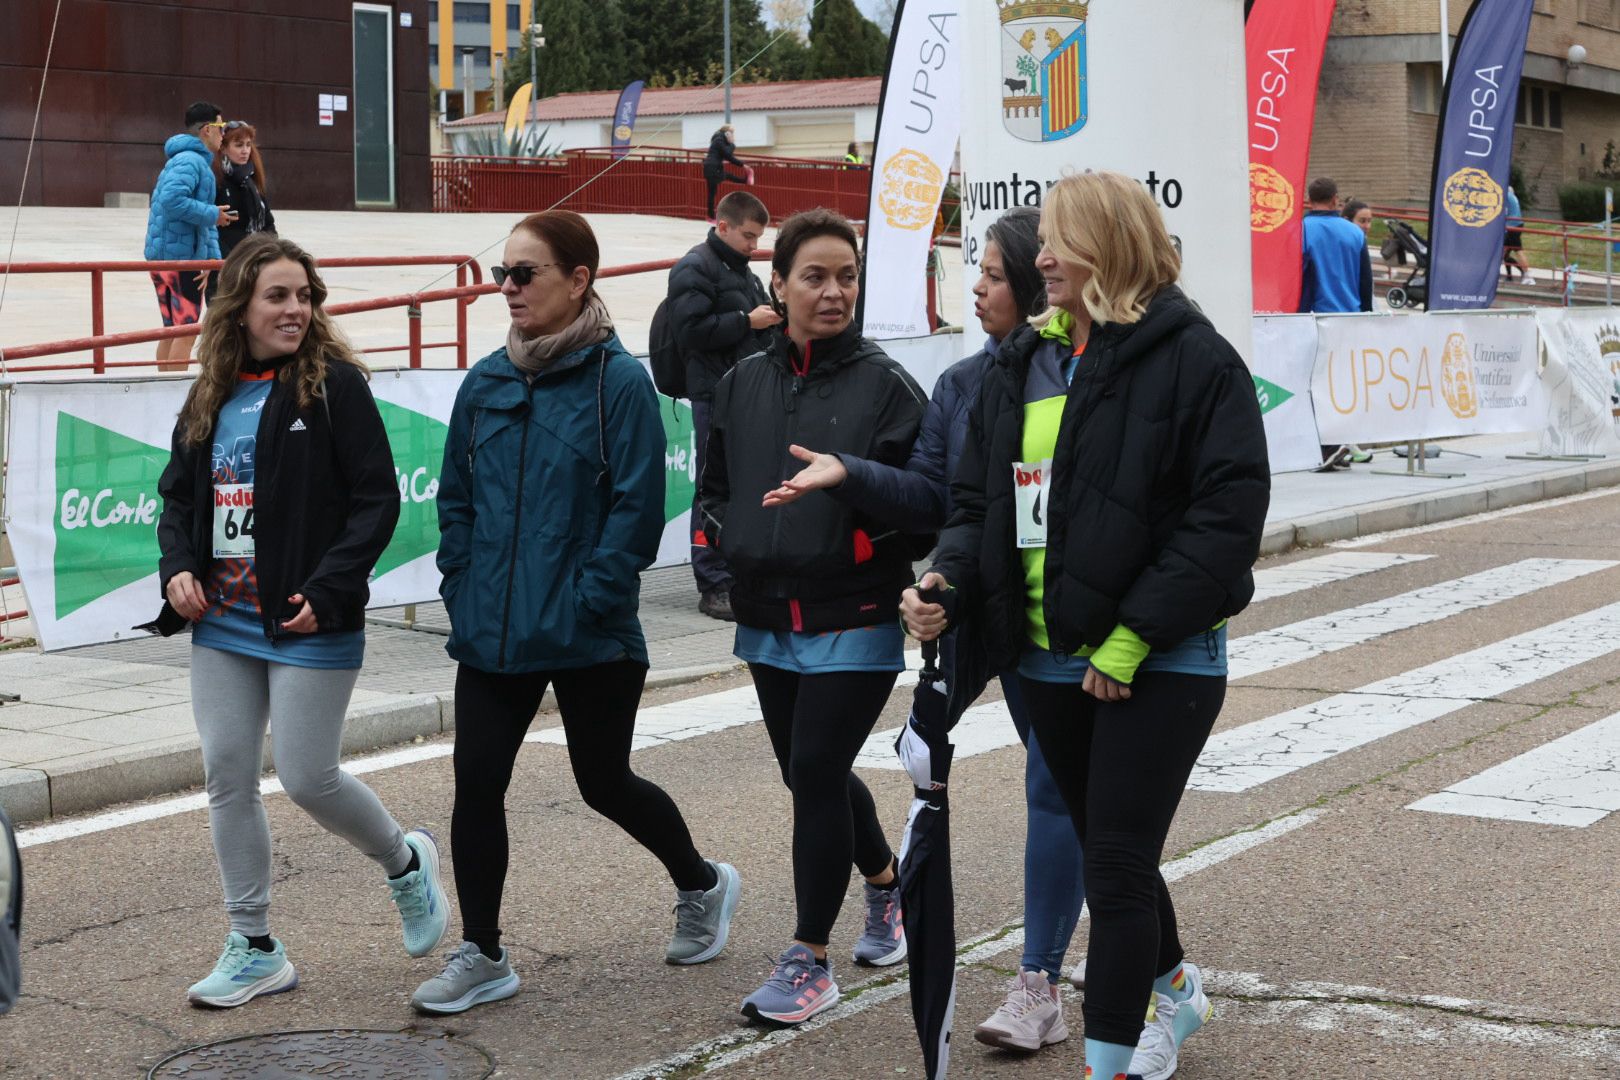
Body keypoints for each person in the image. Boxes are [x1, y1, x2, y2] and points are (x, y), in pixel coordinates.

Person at [902, 171, 1269, 1080]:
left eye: (1059, 241)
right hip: (1048, 658)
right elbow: (980, 501)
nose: (1043, 259)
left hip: (1159, 658)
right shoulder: (1021, 363)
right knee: (1121, 846)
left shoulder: (1197, 360)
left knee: (1110, 861)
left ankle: (1109, 1061)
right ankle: (1178, 990)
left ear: (1109, 244)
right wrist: (946, 578)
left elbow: (1224, 521)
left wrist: (1134, 634)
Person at [759, 207, 1085, 1053]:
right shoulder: (963, 384)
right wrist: (909, 545)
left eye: (993, 274)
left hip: (1098, 624)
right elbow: (944, 501)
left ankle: (1048, 978)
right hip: (1013, 621)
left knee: (1074, 795)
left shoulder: (1093, 374)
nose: (975, 288)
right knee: (1066, 793)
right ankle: (1117, 974)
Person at [417, 210, 741, 1015]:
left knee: (603, 781)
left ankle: (702, 884)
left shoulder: (616, 381)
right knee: (476, 783)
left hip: (588, 628)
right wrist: (461, 580)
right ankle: (483, 953)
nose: (508, 288)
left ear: (579, 280)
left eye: (525, 274)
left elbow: (638, 507)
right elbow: (454, 498)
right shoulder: (486, 379)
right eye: (503, 275)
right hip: (491, 627)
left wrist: (590, 596)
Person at [147, 234, 450, 1008]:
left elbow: (377, 500)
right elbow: (178, 496)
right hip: (224, 620)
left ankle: (404, 861)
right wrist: (177, 567)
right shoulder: (211, 391)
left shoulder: (334, 387)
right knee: (227, 777)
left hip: (307, 615)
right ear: (240, 306)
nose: (294, 309)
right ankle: (253, 946)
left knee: (309, 777)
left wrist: (331, 585)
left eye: (304, 296)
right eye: (277, 296)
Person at [698, 208, 927, 1026]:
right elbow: (715, 488)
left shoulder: (889, 385)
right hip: (766, 613)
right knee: (808, 774)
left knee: (818, 775)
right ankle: (888, 886)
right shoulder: (740, 382)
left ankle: (809, 959)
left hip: (855, 611)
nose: (835, 293)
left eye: (847, 277)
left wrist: (855, 508)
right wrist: (736, 539)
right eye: (816, 277)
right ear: (779, 285)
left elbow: (928, 503)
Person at [668, 190, 781, 621]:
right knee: (711, 488)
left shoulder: (740, 271)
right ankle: (713, 581)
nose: (755, 245)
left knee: (742, 484)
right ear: (723, 226)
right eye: (749, 236)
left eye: (758, 238)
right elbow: (690, 332)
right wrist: (747, 321)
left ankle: (732, 574)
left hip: (745, 392)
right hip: (714, 394)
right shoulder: (694, 267)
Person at [145, 101, 231, 372]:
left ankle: (161, 391)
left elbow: (203, 223)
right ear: (207, 130)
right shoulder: (192, 162)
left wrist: (212, 261)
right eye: (222, 127)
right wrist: (211, 213)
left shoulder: (184, 159)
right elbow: (173, 200)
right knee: (186, 331)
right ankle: (171, 397)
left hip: (168, 259)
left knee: (170, 331)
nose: (224, 134)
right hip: (181, 260)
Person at [1299, 176, 1371, 469]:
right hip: (1349, 318)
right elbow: (1365, 281)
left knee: (1312, 384)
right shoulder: (1354, 234)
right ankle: (1339, 442)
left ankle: (1326, 446)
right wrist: (1366, 314)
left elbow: (1300, 277)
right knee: (1342, 384)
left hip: (1314, 317)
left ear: (1309, 199)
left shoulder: (1301, 231)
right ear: (1335, 200)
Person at [207, 120, 277, 303]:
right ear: (223, 148)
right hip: (226, 269)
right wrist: (232, 260)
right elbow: (211, 228)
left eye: (248, 145)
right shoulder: (214, 180)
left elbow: (268, 223)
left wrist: (271, 252)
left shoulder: (252, 179)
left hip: (256, 264)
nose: (245, 150)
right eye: (238, 145)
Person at [703, 125, 750, 222]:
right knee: (719, 184)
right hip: (712, 167)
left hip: (711, 167)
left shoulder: (719, 140)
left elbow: (728, 155)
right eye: (731, 133)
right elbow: (728, 155)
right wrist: (732, 145)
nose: (733, 135)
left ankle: (710, 216)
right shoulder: (719, 140)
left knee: (712, 192)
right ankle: (710, 216)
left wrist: (730, 144)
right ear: (727, 133)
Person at [1503, 185, 1536, 285]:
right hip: (1515, 224)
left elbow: (1503, 212)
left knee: (1518, 251)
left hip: (1513, 226)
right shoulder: (1512, 196)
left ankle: (1527, 275)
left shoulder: (1506, 195)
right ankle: (1509, 276)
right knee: (1504, 253)